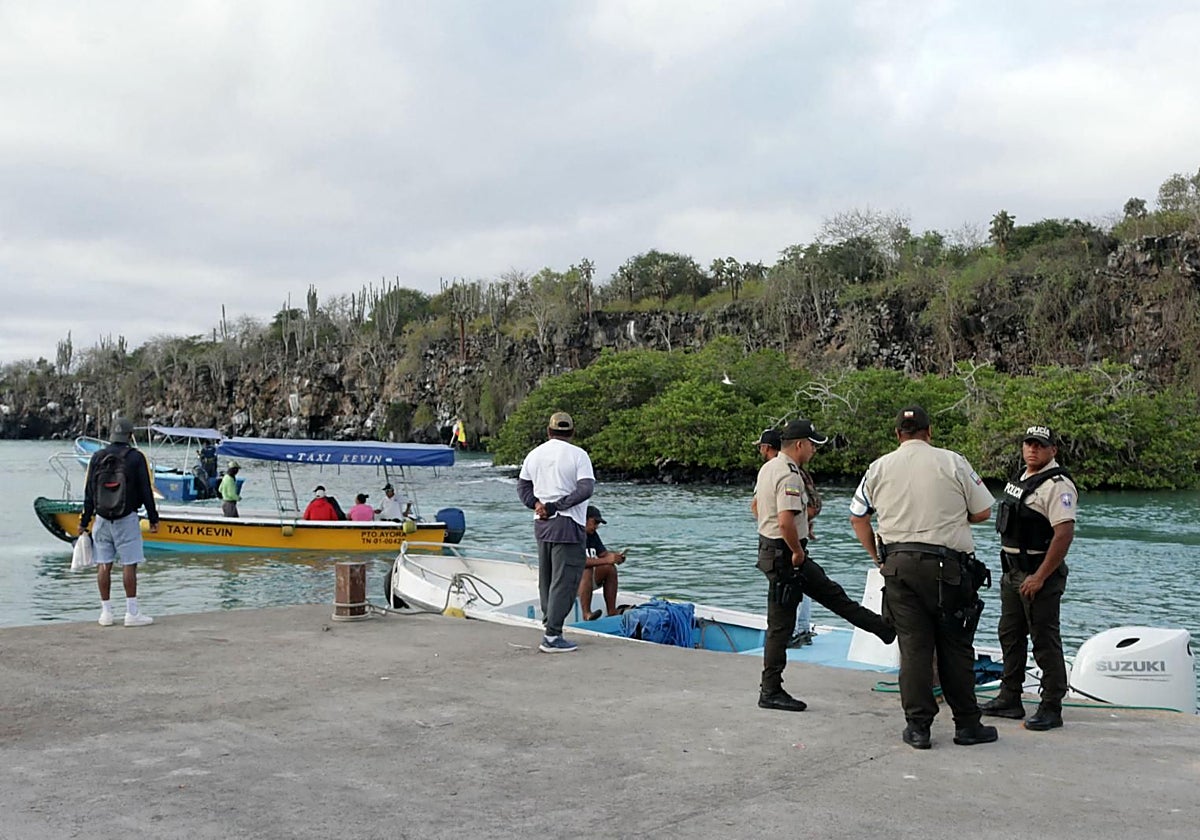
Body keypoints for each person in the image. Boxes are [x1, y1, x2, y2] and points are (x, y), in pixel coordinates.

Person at [849, 405, 997, 749]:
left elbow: (858, 516)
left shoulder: (878, 468)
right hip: (949, 568)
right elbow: (983, 511)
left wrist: (879, 556)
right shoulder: (953, 461)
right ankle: (967, 725)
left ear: (897, 435)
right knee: (956, 647)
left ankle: (918, 728)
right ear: (930, 432)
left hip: (899, 567)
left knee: (914, 649)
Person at [754, 418, 895, 712]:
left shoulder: (769, 467)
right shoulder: (790, 475)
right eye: (813, 445)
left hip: (773, 550)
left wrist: (800, 529)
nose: (815, 451)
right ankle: (770, 690)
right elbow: (784, 521)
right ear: (800, 445)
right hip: (786, 556)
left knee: (829, 596)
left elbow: (762, 510)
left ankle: (884, 630)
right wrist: (795, 550)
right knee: (783, 623)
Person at [982, 425, 1078, 732]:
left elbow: (1063, 535)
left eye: (1040, 445)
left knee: (1044, 639)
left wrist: (1039, 577)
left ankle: (1052, 705)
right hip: (1012, 573)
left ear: (1053, 451)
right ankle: (1010, 696)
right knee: (1009, 635)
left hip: (1039, 574)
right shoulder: (1021, 479)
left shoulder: (1058, 486)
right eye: (1029, 444)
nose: (1033, 450)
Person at [516, 411, 595, 653]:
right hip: (568, 524)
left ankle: (549, 626)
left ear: (549, 432)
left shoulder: (534, 454)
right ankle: (552, 635)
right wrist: (558, 505)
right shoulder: (578, 455)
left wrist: (537, 505)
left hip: (542, 525)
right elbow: (585, 489)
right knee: (565, 580)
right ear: (571, 432)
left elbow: (523, 486)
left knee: (547, 579)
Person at [77, 416, 158, 627]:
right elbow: (146, 491)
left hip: (102, 519)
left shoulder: (97, 457)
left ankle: (106, 613)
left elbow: (89, 493)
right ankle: (131, 613)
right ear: (130, 436)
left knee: (104, 565)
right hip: (127, 518)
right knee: (129, 565)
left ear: (111, 434)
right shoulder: (136, 457)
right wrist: (153, 518)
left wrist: (84, 521)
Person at [750, 428, 814, 647]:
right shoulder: (795, 470)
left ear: (767, 448)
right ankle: (802, 628)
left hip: (781, 543)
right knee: (803, 584)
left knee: (785, 592)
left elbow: (765, 510)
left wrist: (793, 547)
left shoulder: (773, 471)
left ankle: (792, 633)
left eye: (760, 446)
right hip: (796, 536)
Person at [578, 505, 625, 620]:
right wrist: (606, 559)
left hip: (586, 580)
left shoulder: (592, 535)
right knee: (587, 569)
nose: (596, 527)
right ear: (584, 519)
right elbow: (580, 561)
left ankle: (611, 611)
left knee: (610, 568)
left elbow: (603, 555)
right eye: (594, 522)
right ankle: (586, 613)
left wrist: (615, 557)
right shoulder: (573, 534)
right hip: (570, 579)